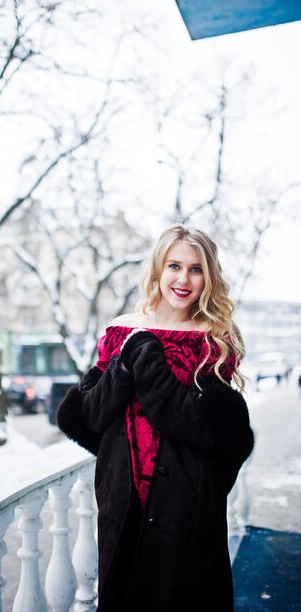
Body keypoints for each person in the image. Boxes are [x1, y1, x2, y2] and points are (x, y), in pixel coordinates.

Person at [57, 224, 254, 612]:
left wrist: (149, 367)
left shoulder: (213, 339)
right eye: (174, 266)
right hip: (122, 495)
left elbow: (201, 427)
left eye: (196, 269)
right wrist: (124, 367)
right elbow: (91, 417)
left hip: (187, 501)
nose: (183, 279)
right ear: (157, 269)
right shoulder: (121, 330)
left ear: (209, 277)